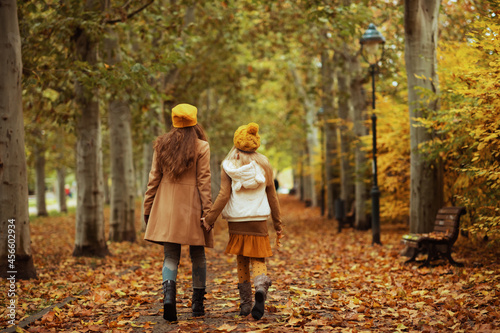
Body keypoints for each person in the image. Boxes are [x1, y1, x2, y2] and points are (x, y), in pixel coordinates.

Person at [202, 122, 283, 320]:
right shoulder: (264, 165)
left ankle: (246, 305)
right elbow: (273, 197)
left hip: (237, 221)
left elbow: (223, 195)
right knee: (258, 258)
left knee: (241, 259)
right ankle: (261, 286)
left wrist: (209, 218)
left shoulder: (229, 166)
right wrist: (278, 225)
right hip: (258, 220)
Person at [143, 103, 213, 322]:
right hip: (192, 207)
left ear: (174, 121)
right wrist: (208, 212)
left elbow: (153, 179)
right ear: (194, 121)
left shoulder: (161, 145)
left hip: (166, 206)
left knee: (170, 255)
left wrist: (148, 208)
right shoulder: (202, 146)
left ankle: (168, 299)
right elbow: (204, 182)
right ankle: (198, 306)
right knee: (198, 255)